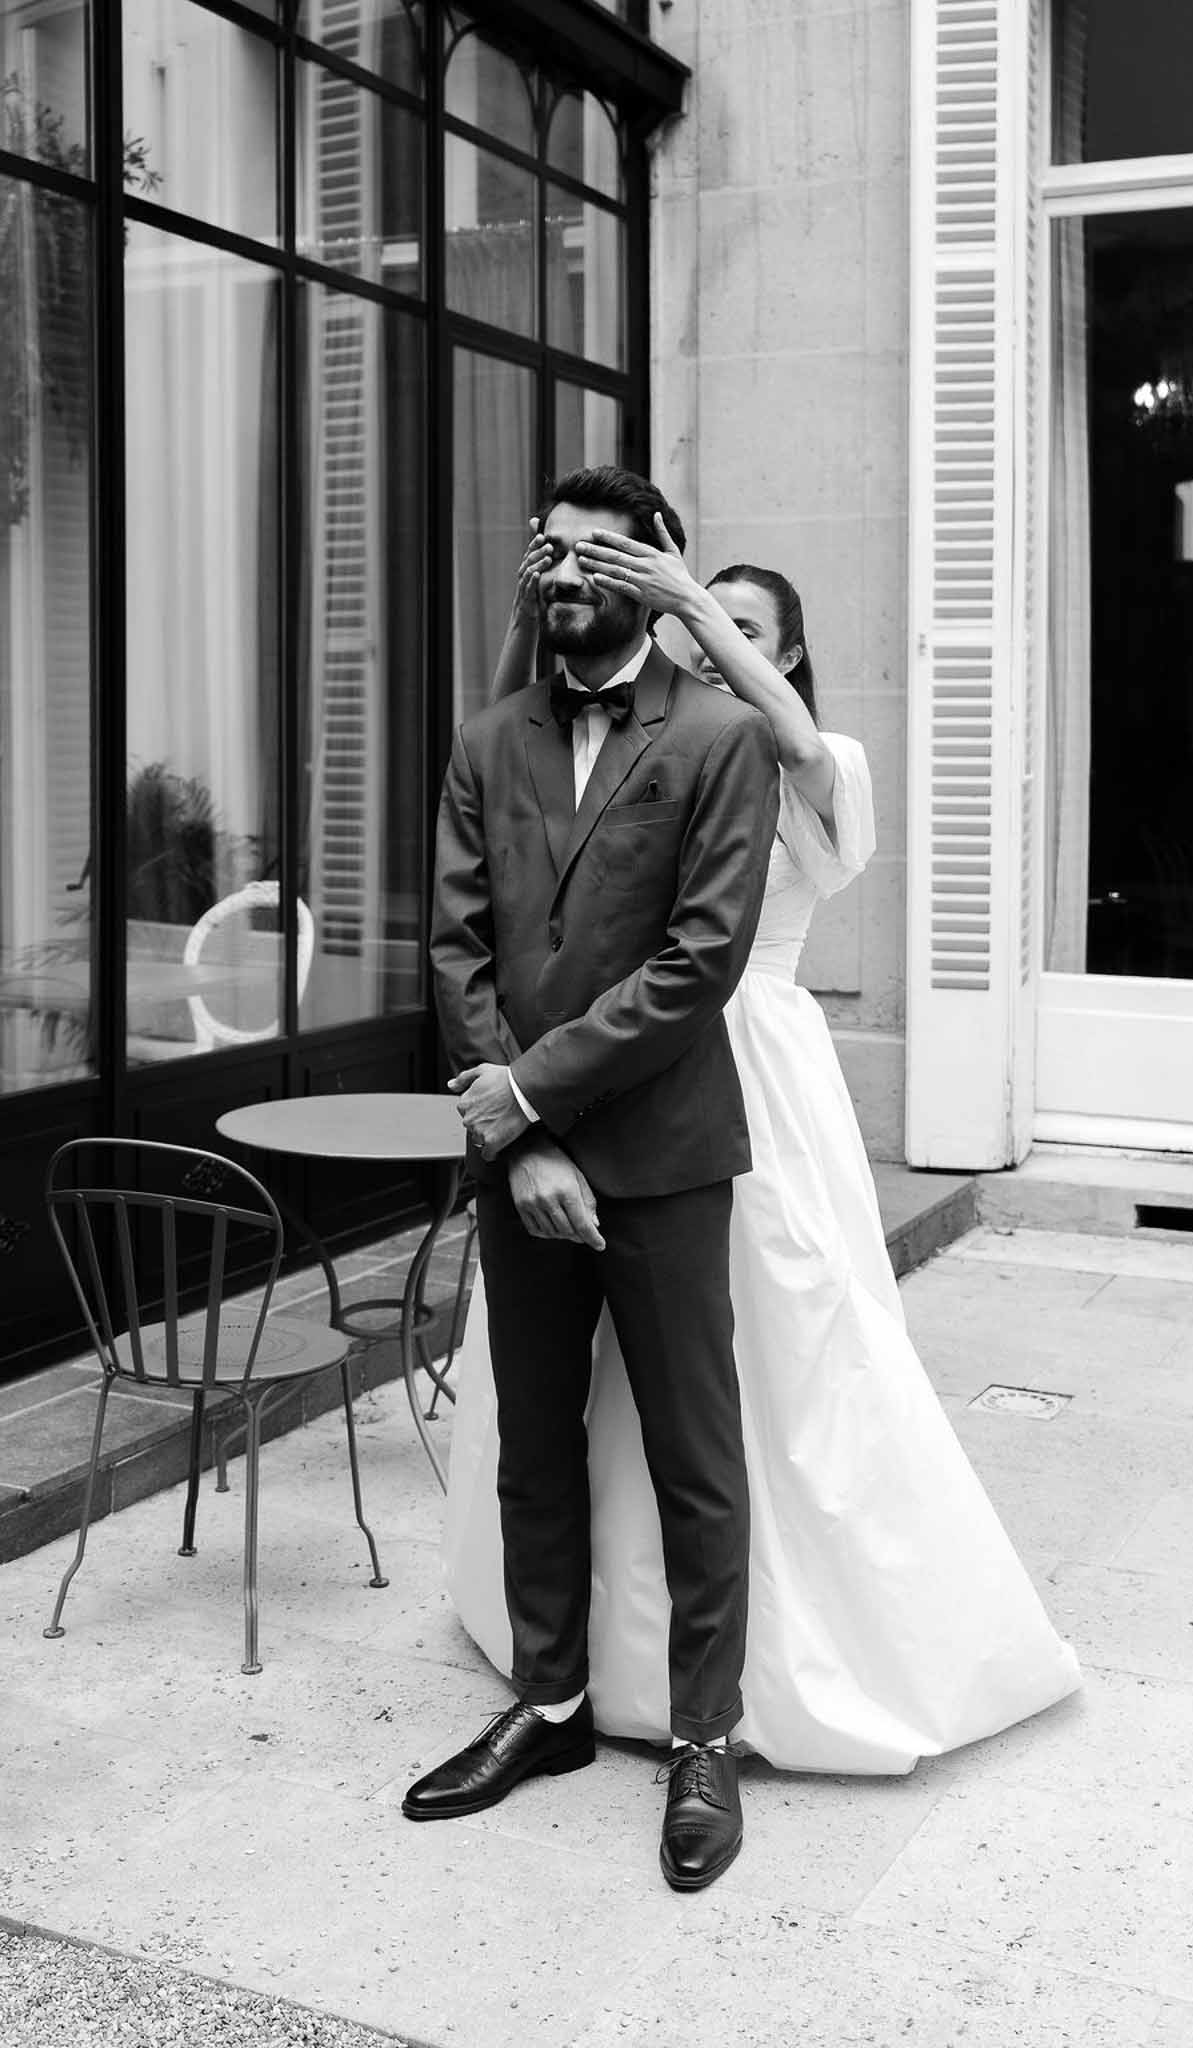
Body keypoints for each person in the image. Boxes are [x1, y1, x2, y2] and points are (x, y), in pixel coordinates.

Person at [443, 517, 1082, 1779]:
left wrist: (694, 602)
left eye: (738, 622)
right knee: (560, 1408)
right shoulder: (598, 725)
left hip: (739, 1073)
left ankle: (713, 1710)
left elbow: (769, 810)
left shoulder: (787, 743)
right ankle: (566, 1676)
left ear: (783, 650)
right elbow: (512, 825)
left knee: (750, 1380)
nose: (695, 630)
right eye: (689, 613)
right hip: (580, 1072)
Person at [407, 466, 779, 1894]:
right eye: (550, 554)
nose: (566, 578)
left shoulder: (720, 738)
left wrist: (532, 1093)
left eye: (599, 560)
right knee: (534, 1445)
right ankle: (550, 1704)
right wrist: (528, 1139)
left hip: (671, 1158)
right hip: (528, 1162)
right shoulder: (485, 738)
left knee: (696, 1454)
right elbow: (455, 953)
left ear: (652, 578)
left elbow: (698, 966)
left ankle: (703, 1738)